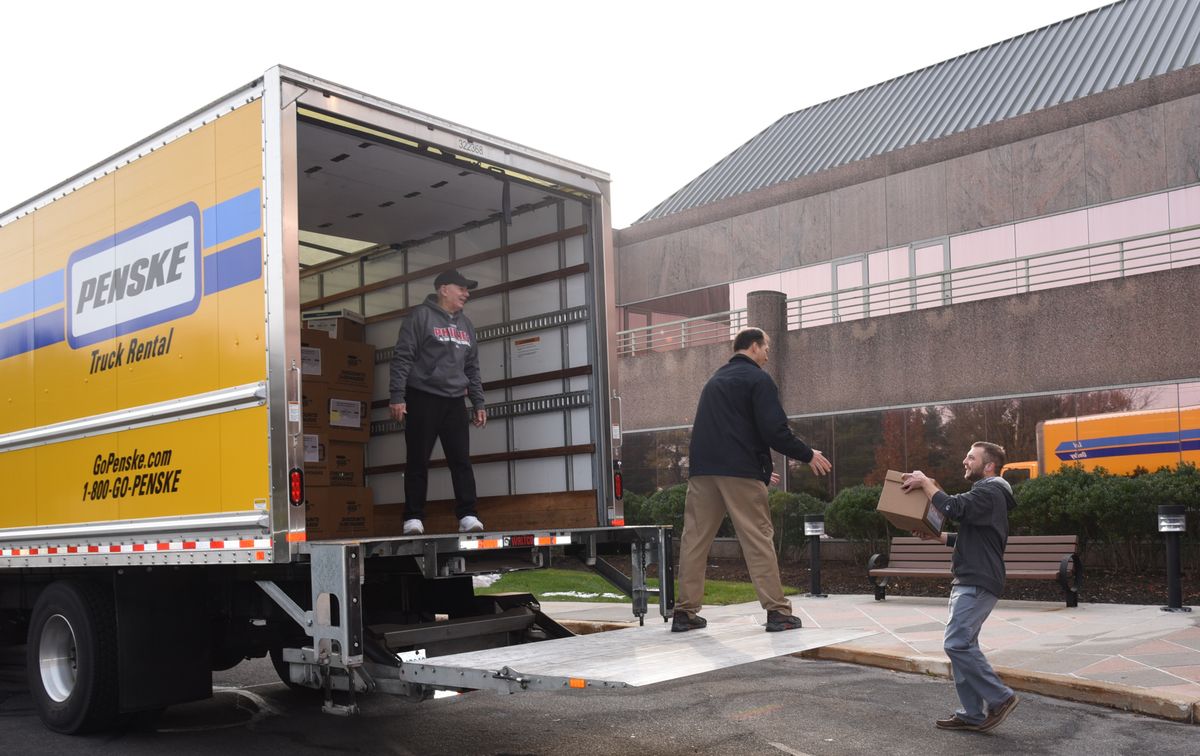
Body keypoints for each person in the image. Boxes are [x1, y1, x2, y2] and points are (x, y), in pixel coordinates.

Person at [671, 327, 832, 633]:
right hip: (739, 473)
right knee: (757, 539)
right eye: (767, 347)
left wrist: (756, 468)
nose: (768, 354)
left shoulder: (713, 382)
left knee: (694, 541)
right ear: (754, 347)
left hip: (703, 471)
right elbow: (774, 430)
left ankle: (685, 613)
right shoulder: (758, 379)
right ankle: (778, 612)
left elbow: (726, 431)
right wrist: (808, 454)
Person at [901, 442, 1020, 733]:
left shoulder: (989, 491)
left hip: (978, 581)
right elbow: (969, 537)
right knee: (964, 646)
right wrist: (936, 537)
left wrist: (926, 483)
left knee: (956, 644)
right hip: (973, 578)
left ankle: (1000, 698)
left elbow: (953, 507)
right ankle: (972, 713)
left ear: (989, 465)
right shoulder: (990, 495)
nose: (964, 461)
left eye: (971, 457)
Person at [389, 269, 487, 535]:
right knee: (418, 459)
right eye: (462, 288)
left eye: (468, 290)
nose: (466, 294)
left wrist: (478, 402)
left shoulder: (466, 325)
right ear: (444, 289)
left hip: (455, 400)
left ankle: (468, 515)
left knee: (461, 460)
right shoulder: (420, 317)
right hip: (422, 396)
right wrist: (397, 396)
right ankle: (413, 517)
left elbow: (472, 367)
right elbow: (402, 357)